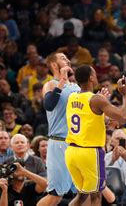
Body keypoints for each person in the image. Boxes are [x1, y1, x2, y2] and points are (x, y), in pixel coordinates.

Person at [65, 65, 126, 206]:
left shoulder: (72, 97)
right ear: (91, 77)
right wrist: (125, 94)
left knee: (81, 196)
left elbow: (88, 118)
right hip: (89, 153)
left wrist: (105, 118)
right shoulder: (96, 100)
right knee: (96, 197)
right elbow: (123, 117)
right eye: (94, 72)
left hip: (72, 152)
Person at [36, 52, 81, 206]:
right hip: (59, 142)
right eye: (63, 58)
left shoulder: (76, 87)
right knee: (56, 195)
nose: (68, 59)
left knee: (84, 193)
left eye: (67, 57)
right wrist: (62, 80)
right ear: (54, 65)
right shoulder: (50, 85)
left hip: (78, 145)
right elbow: (48, 105)